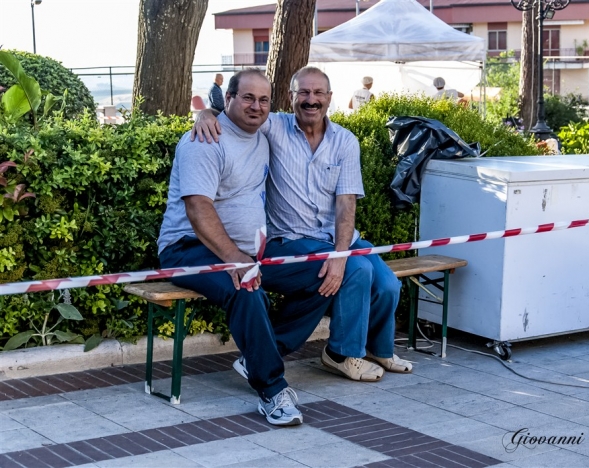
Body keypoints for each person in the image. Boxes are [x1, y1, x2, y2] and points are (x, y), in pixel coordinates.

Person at [193, 66, 413, 383]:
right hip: (292, 239)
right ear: (291, 97)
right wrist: (205, 115)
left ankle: (377, 349)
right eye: (304, 93)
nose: (311, 100)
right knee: (358, 270)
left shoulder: (345, 141)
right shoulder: (275, 127)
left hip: (338, 238)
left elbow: (346, 201)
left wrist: (340, 252)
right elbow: (238, 112)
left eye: (318, 93)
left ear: (329, 98)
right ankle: (340, 354)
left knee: (389, 285)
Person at [158, 69, 304, 427]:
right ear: (229, 99)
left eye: (264, 99)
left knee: (324, 272)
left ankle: (261, 353)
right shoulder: (205, 140)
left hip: (247, 250)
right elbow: (198, 208)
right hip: (186, 249)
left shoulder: (265, 133)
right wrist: (236, 260)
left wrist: (244, 257)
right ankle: (272, 390)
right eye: (248, 98)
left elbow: (310, 114)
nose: (257, 106)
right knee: (247, 286)